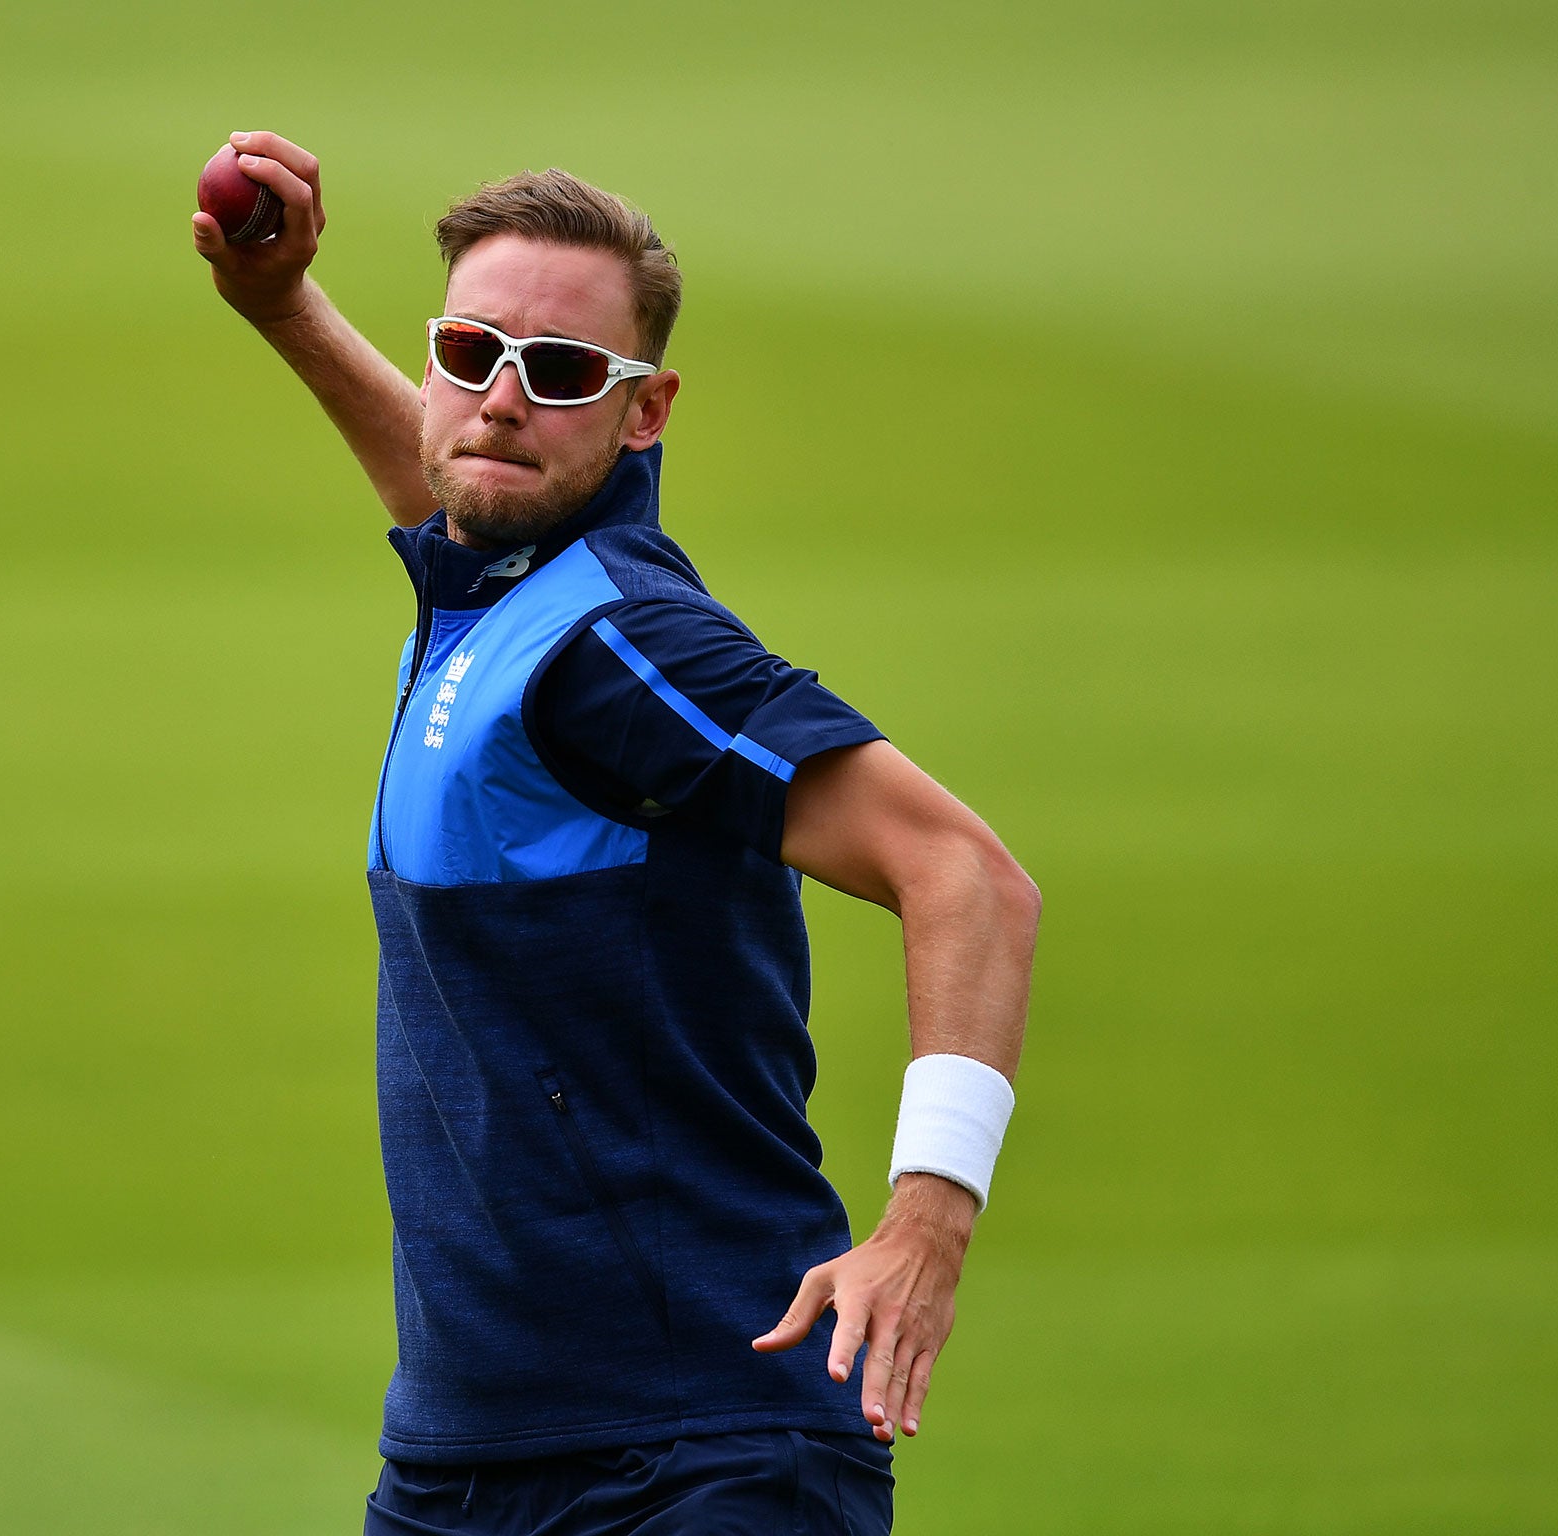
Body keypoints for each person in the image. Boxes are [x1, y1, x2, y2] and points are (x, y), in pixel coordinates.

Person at [193, 132, 1041, 1536]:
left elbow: (967, 875)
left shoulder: (621, 648)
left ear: (644, 415)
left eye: (567, 374)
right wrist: (285, 308)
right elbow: (452, 475)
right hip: (469, 1463)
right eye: (470, 352)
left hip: (691, 1457)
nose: (502, 401)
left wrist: (928, 1219)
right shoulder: (492, 587)